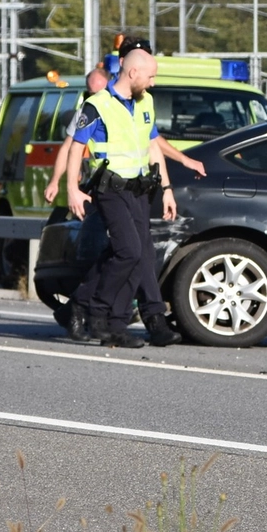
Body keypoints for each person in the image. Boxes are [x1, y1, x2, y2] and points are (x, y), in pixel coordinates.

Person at [64, 46, 179, 347]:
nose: (153, 82)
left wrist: (167, 190)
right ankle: (98, 313)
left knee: (139, 255)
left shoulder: (145, 102)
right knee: (128, 251)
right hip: (109, 190)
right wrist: (71, 189)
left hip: (139, 189)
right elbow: (76, 146)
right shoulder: (97, 105)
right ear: (133, 73)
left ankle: (115, 326)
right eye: (151, 76)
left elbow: (153, 145)